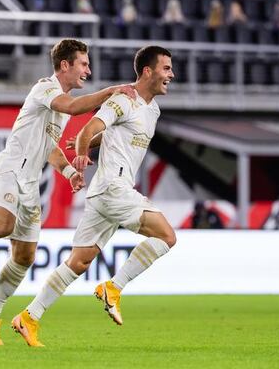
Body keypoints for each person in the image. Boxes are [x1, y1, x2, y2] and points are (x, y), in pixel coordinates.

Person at [0, 39, 137, 346]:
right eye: (83, 64)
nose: (88, 69)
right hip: (8, 171)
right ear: (64, 65)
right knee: (1, 226)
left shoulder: (58, 108)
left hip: (29, 185)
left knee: (24, 257)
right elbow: (72, 107)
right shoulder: (45, 88)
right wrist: (111, 91)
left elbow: (50, 148)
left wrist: (70, 172)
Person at [11, 46, 176, 347]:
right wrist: (83, 152)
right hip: (114, 188)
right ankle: (114, 287)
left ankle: (29, 317)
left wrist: (95, 141)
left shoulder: (152, 110)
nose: (171, 75)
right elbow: (88, 127)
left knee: (79, 261)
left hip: (105, 194)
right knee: (166, 236)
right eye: (166, 68)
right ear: (148, 71)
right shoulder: (123, 100)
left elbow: (112, 134)